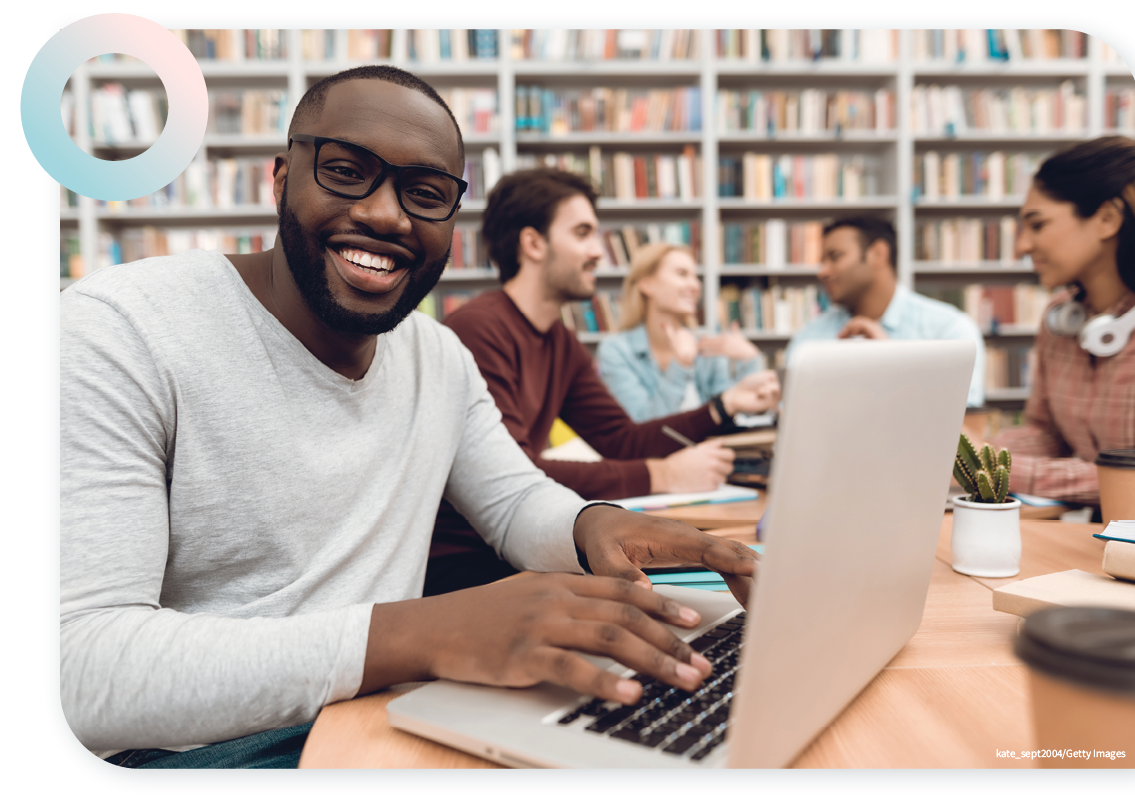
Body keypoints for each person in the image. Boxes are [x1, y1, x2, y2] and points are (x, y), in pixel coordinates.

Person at [59, 66, 758, 769]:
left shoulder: (437, 355)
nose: (389, 215)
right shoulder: (118, 330)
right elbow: (79, 671)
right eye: (346, 171)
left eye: (425, 195)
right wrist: (418, 635)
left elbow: (514, 501)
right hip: (192, 753)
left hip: (381, 707)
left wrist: (592, 524)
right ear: (279, 180)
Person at [427, 168, 779, 596]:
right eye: (583, 233)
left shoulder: (560, 341)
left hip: (522, 552)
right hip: (467, 567)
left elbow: (620, 439)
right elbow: (516, 476)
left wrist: (723, 405)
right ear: (533, 243)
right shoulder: (479, 329)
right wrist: (660, 473)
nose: (600, 251)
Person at [987, 136, 1135, 507]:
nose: (1022, 246)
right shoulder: (1060, 318)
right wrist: (969, 451)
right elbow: (1047, 435)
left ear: (1107, 219)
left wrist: (995, 467)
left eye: (1037, 225)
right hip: (1096, 539)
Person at [784, 217, 987, 407]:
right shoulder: (810, 338)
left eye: (835, 257)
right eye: (822, 261)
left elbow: (965, 427)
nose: (823, 271)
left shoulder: (948, 331)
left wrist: (894, 365)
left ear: (878, 254)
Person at [596, 242, 781, 423]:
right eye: (682, 274)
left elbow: (731, 415)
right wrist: (681, 365)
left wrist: (750, 360)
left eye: (695, 276)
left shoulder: (707, 347)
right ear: (647, 284)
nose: (695, 285)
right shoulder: (616, 350)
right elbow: (641, 427)